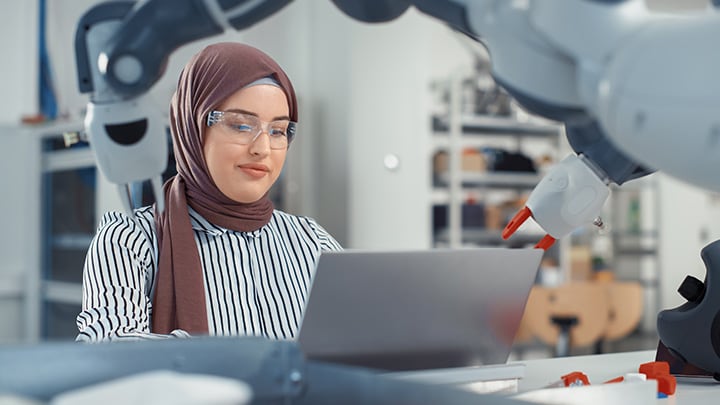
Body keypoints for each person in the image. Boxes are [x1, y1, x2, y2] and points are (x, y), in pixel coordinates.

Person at [76, 43, 342, 342]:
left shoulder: (311, 241)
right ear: (192, 129)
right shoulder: (131, 240)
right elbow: (111, 350)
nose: (262, 149)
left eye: (278, 131)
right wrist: (269, 361)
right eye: (241, 126)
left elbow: (361, 340)